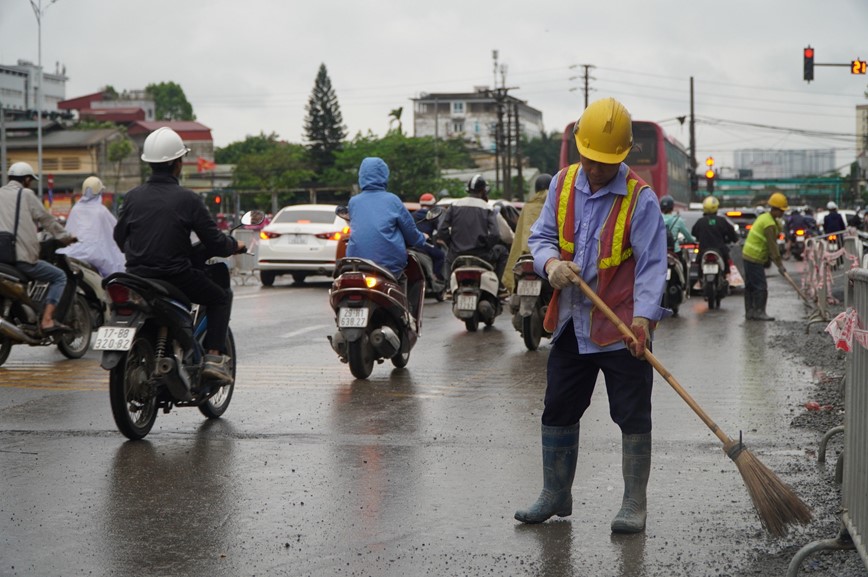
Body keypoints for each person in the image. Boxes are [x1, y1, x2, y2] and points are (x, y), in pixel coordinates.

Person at [515, 97, 669, 534]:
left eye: (604, 162)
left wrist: (643, 321)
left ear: (621, 156)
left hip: (620, 328)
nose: (595, 169)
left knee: (632, 414)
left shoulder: (641, 200)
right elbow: (541, 236)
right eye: (589, 159)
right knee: (558, 409)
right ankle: (555, 494)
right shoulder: (563, 185)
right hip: (571, 324)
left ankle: (633, 502)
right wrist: (550, 265)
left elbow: (652, 266)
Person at [114, 127, 244, 384]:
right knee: (221, 297)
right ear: (177, 163)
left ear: (150, 163)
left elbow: (120, 239)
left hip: (136, 277)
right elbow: (215, 242)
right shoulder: (188, 199)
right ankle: (215, 358)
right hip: (175, 277)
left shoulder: (132, 197)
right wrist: (234, 245)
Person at [0, 162, 77, 333]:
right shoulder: (26, 194)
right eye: (30, 180)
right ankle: (47, 320)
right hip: (19, 258)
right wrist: (66, 237)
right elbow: (46, 219)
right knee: (59, 276)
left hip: (2, 259)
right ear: (26, 179)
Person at [346, 157, 427, 314]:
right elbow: (411, 234)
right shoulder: (392, 200)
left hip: (357, 264)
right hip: (388, 266)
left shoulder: (354, 202)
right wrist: (422, 239)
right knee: (405, 280)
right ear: (384, 175)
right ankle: (405, 316)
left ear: (361, 176)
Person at [436, 174, 512, 297]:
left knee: (447, 258)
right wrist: (486, 246)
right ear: (483, 191)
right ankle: (499, 287)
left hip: (457, 254)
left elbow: (442, 230)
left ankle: (449, 288)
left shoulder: (455, 205)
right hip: (482, 255)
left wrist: (452, 244)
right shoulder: (487, 208)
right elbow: (494, 235)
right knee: (503, 252)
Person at [58, 176, 125, 277]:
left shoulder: (76, 209)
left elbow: (69, 232)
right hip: (97, 255)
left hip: (73, 253)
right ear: (99, 191)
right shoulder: (101, 211)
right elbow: (116, 230)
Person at [741, 192, 788, 321]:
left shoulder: (765, 218)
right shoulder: (769, 225)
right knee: (761, 286)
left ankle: (750, 312)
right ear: (776, 210)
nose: (783, 213)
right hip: (755, 257)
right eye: (782, 211)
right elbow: (773, 247)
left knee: (750, 285)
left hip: (747, 255)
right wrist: (780, 265)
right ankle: (760, 312)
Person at [502, 173, 552, 293]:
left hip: (525, 254)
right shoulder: (555, 205)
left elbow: (519, 235)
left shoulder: (528, 207)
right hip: (548, 255)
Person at [691, 196, 738, 277]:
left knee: (698, 265)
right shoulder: (722, 221)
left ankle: (700, 280)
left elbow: (694, 233)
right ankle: (726, 279)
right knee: (727, 267)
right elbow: (732, 233)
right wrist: (733, 239)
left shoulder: (700, 222)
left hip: (703, 250)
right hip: (720, 250)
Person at [412, 193, 446, 281]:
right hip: (424, 245)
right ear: (432, 205)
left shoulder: (413, 215)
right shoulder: (432, 216)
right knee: (440, 255)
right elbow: (440, 230)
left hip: (411, 245)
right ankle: (435, 276)